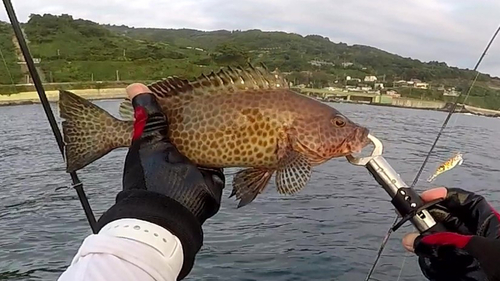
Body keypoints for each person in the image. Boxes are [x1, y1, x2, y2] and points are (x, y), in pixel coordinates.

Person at [57, 83, 500, 281]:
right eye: (340, 124)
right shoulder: (291, 141)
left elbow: (276, 178)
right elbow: (283, 180)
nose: (351, 131)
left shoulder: (295, 142)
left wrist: (152, 214)